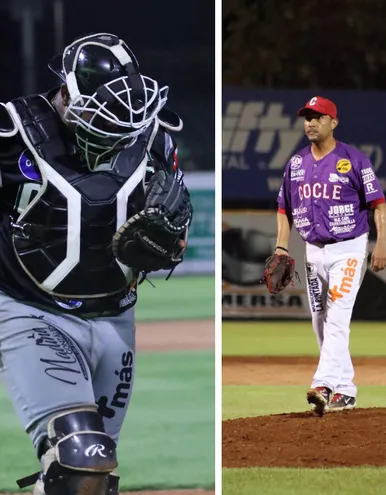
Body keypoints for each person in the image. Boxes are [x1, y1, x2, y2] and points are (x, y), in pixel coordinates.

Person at [0, 32, 193, 494]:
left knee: (94, 474)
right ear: (66, 92)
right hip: (31, 310)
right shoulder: (13, 131)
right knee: (79, 458)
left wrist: (169, 239)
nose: (113, 136)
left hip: (116, 317)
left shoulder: (152, 134)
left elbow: (177, 226)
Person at [273, 96, 386, 415]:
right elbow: (284, 209)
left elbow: (378, 204)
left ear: (333, 122)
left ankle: (323, 383)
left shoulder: (354, 159)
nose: (310, 122)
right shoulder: (296, 164)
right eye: (306, 117)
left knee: (338, 317)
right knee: (320, 321)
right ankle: (346, 388)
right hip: (313, 251)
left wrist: (382, 243)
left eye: (318, 117)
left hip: (349, 248)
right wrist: (282, 246)